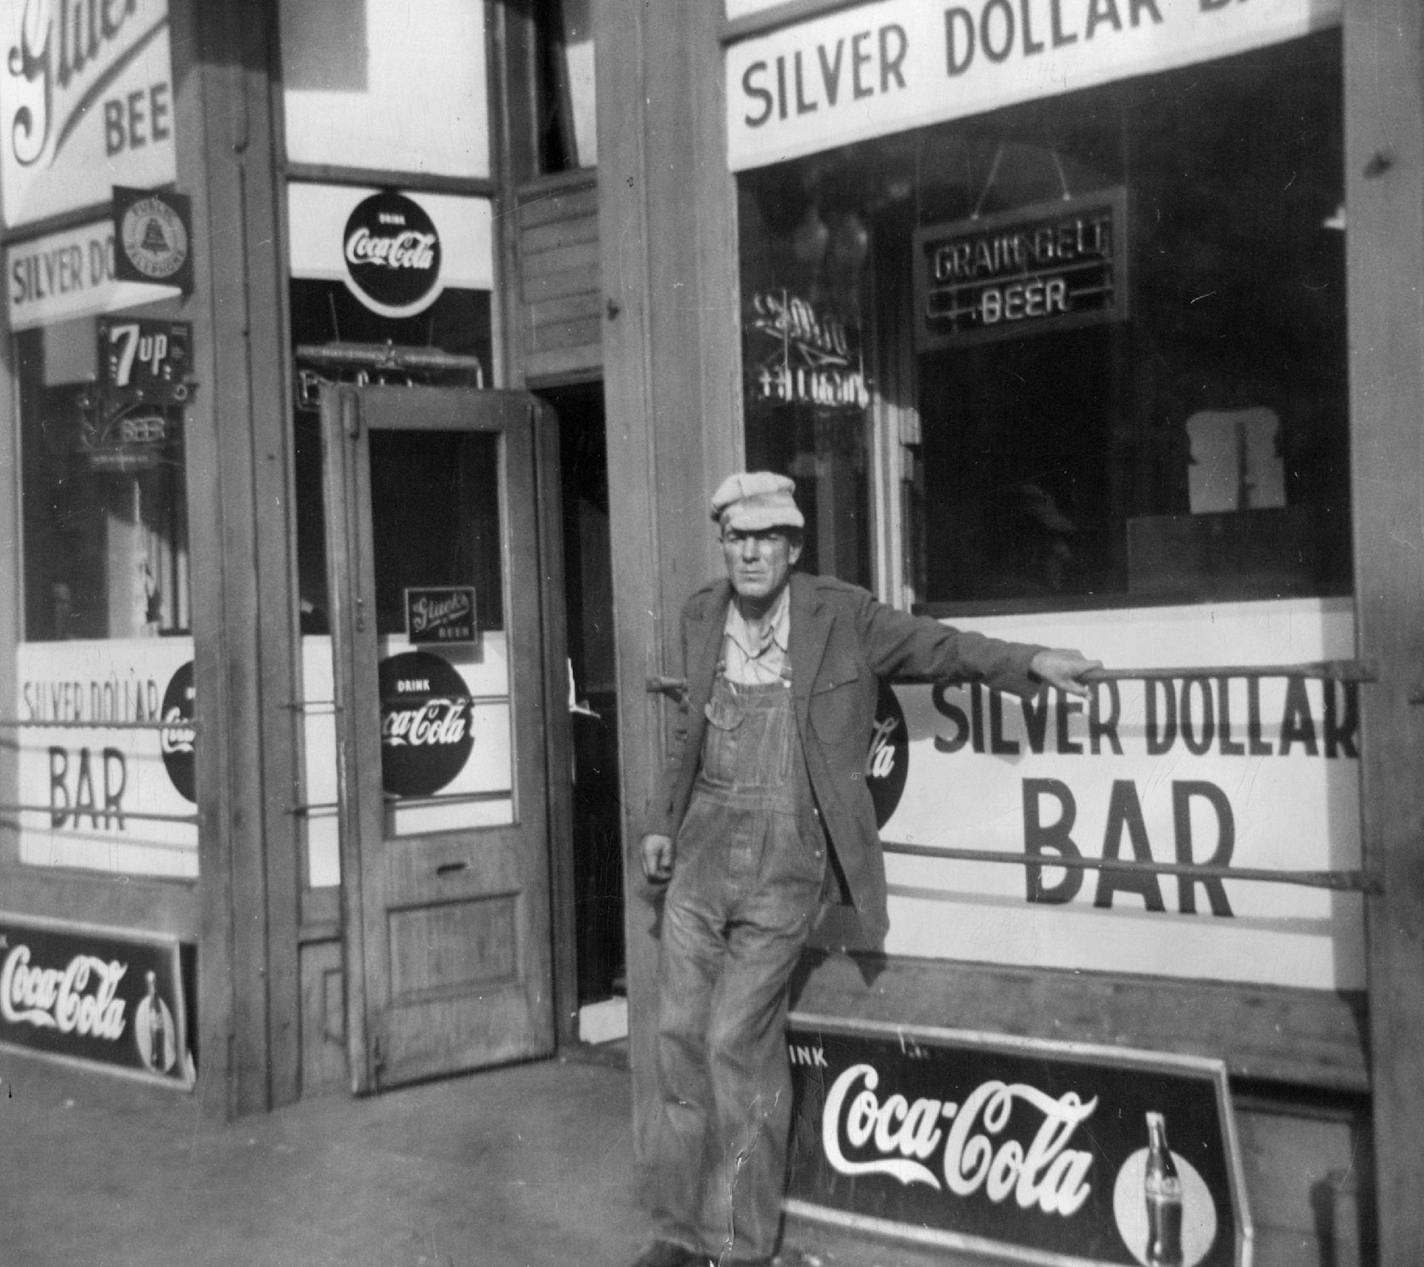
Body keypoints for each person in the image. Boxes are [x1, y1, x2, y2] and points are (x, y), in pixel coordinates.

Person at [631, 472, 1102, 1267]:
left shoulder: (840, 615)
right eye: (736, 538)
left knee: (731, 1043)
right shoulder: (701, 613)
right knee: (677, 1040)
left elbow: (940, 647)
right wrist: (659, 823)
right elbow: (690, 731)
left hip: (788, 861)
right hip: (702, 852)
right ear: (724, 544)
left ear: (793, 546)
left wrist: (1030, 660)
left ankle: (741, 1247)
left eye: (765, 537)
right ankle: (678, 1232)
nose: (749, 552)